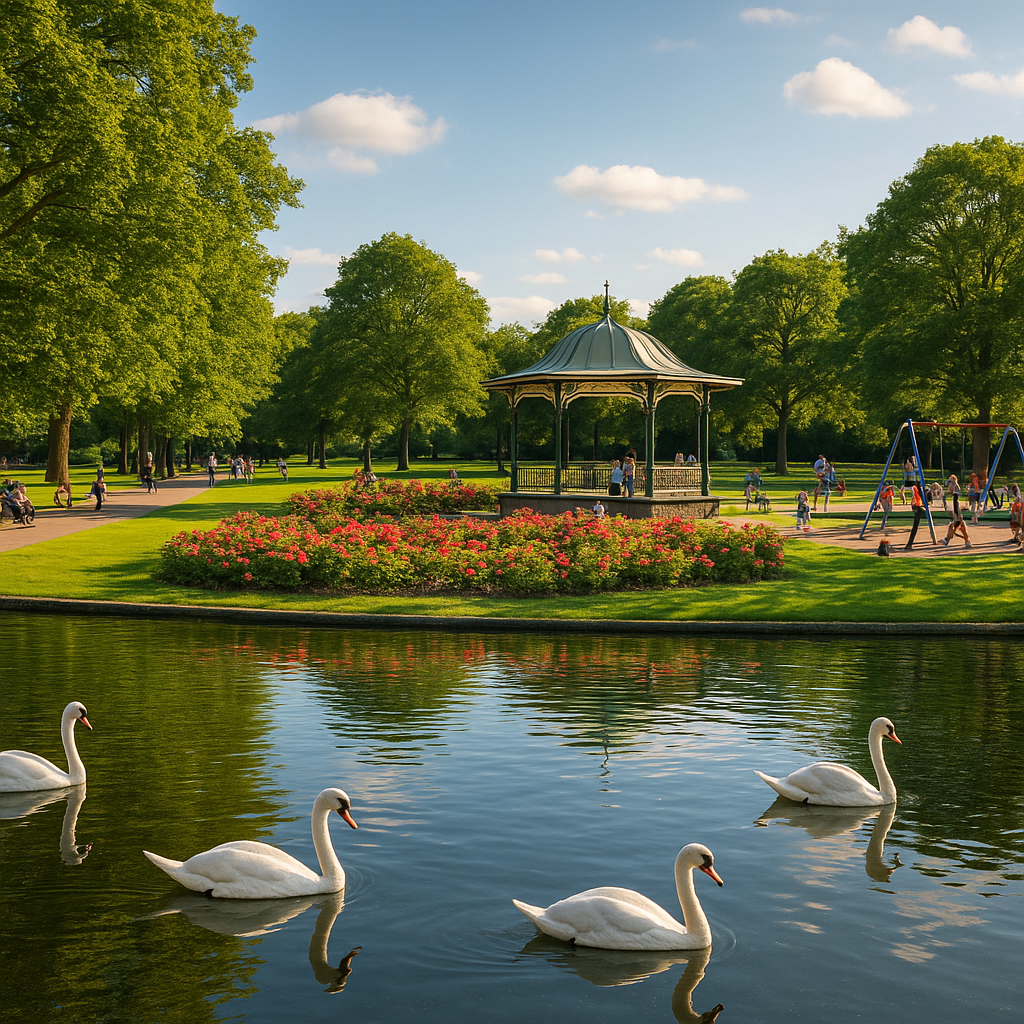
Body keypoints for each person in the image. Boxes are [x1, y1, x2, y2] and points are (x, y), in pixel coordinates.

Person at [941, 473, 972, 548]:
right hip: (955, 509)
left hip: (956, 509)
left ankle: (948, 539)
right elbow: (948, 487)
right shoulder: (953, 488)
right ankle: (948, 539)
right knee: (956, 525)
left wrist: (952, 485)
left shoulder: (956, 487)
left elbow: (954, 490)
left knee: (958, 525)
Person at [904, 479, 927, 550]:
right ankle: (909, 543)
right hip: (917, 506)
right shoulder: (917, 489)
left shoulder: (918, 489)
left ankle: (910, 543)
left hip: (917, 506)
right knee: (915, 525)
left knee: (915, 525)